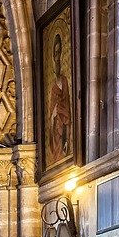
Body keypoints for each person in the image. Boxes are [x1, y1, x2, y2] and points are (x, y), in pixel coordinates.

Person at [45, 32, 73, 163]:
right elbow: (51, 110)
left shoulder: (64, 80)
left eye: (58, 53)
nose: (57, 57)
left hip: (63, 125)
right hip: (55, 126)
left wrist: (59, 111)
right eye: (54, 54)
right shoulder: (52, 86)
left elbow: (67, 107)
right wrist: (52, 116)